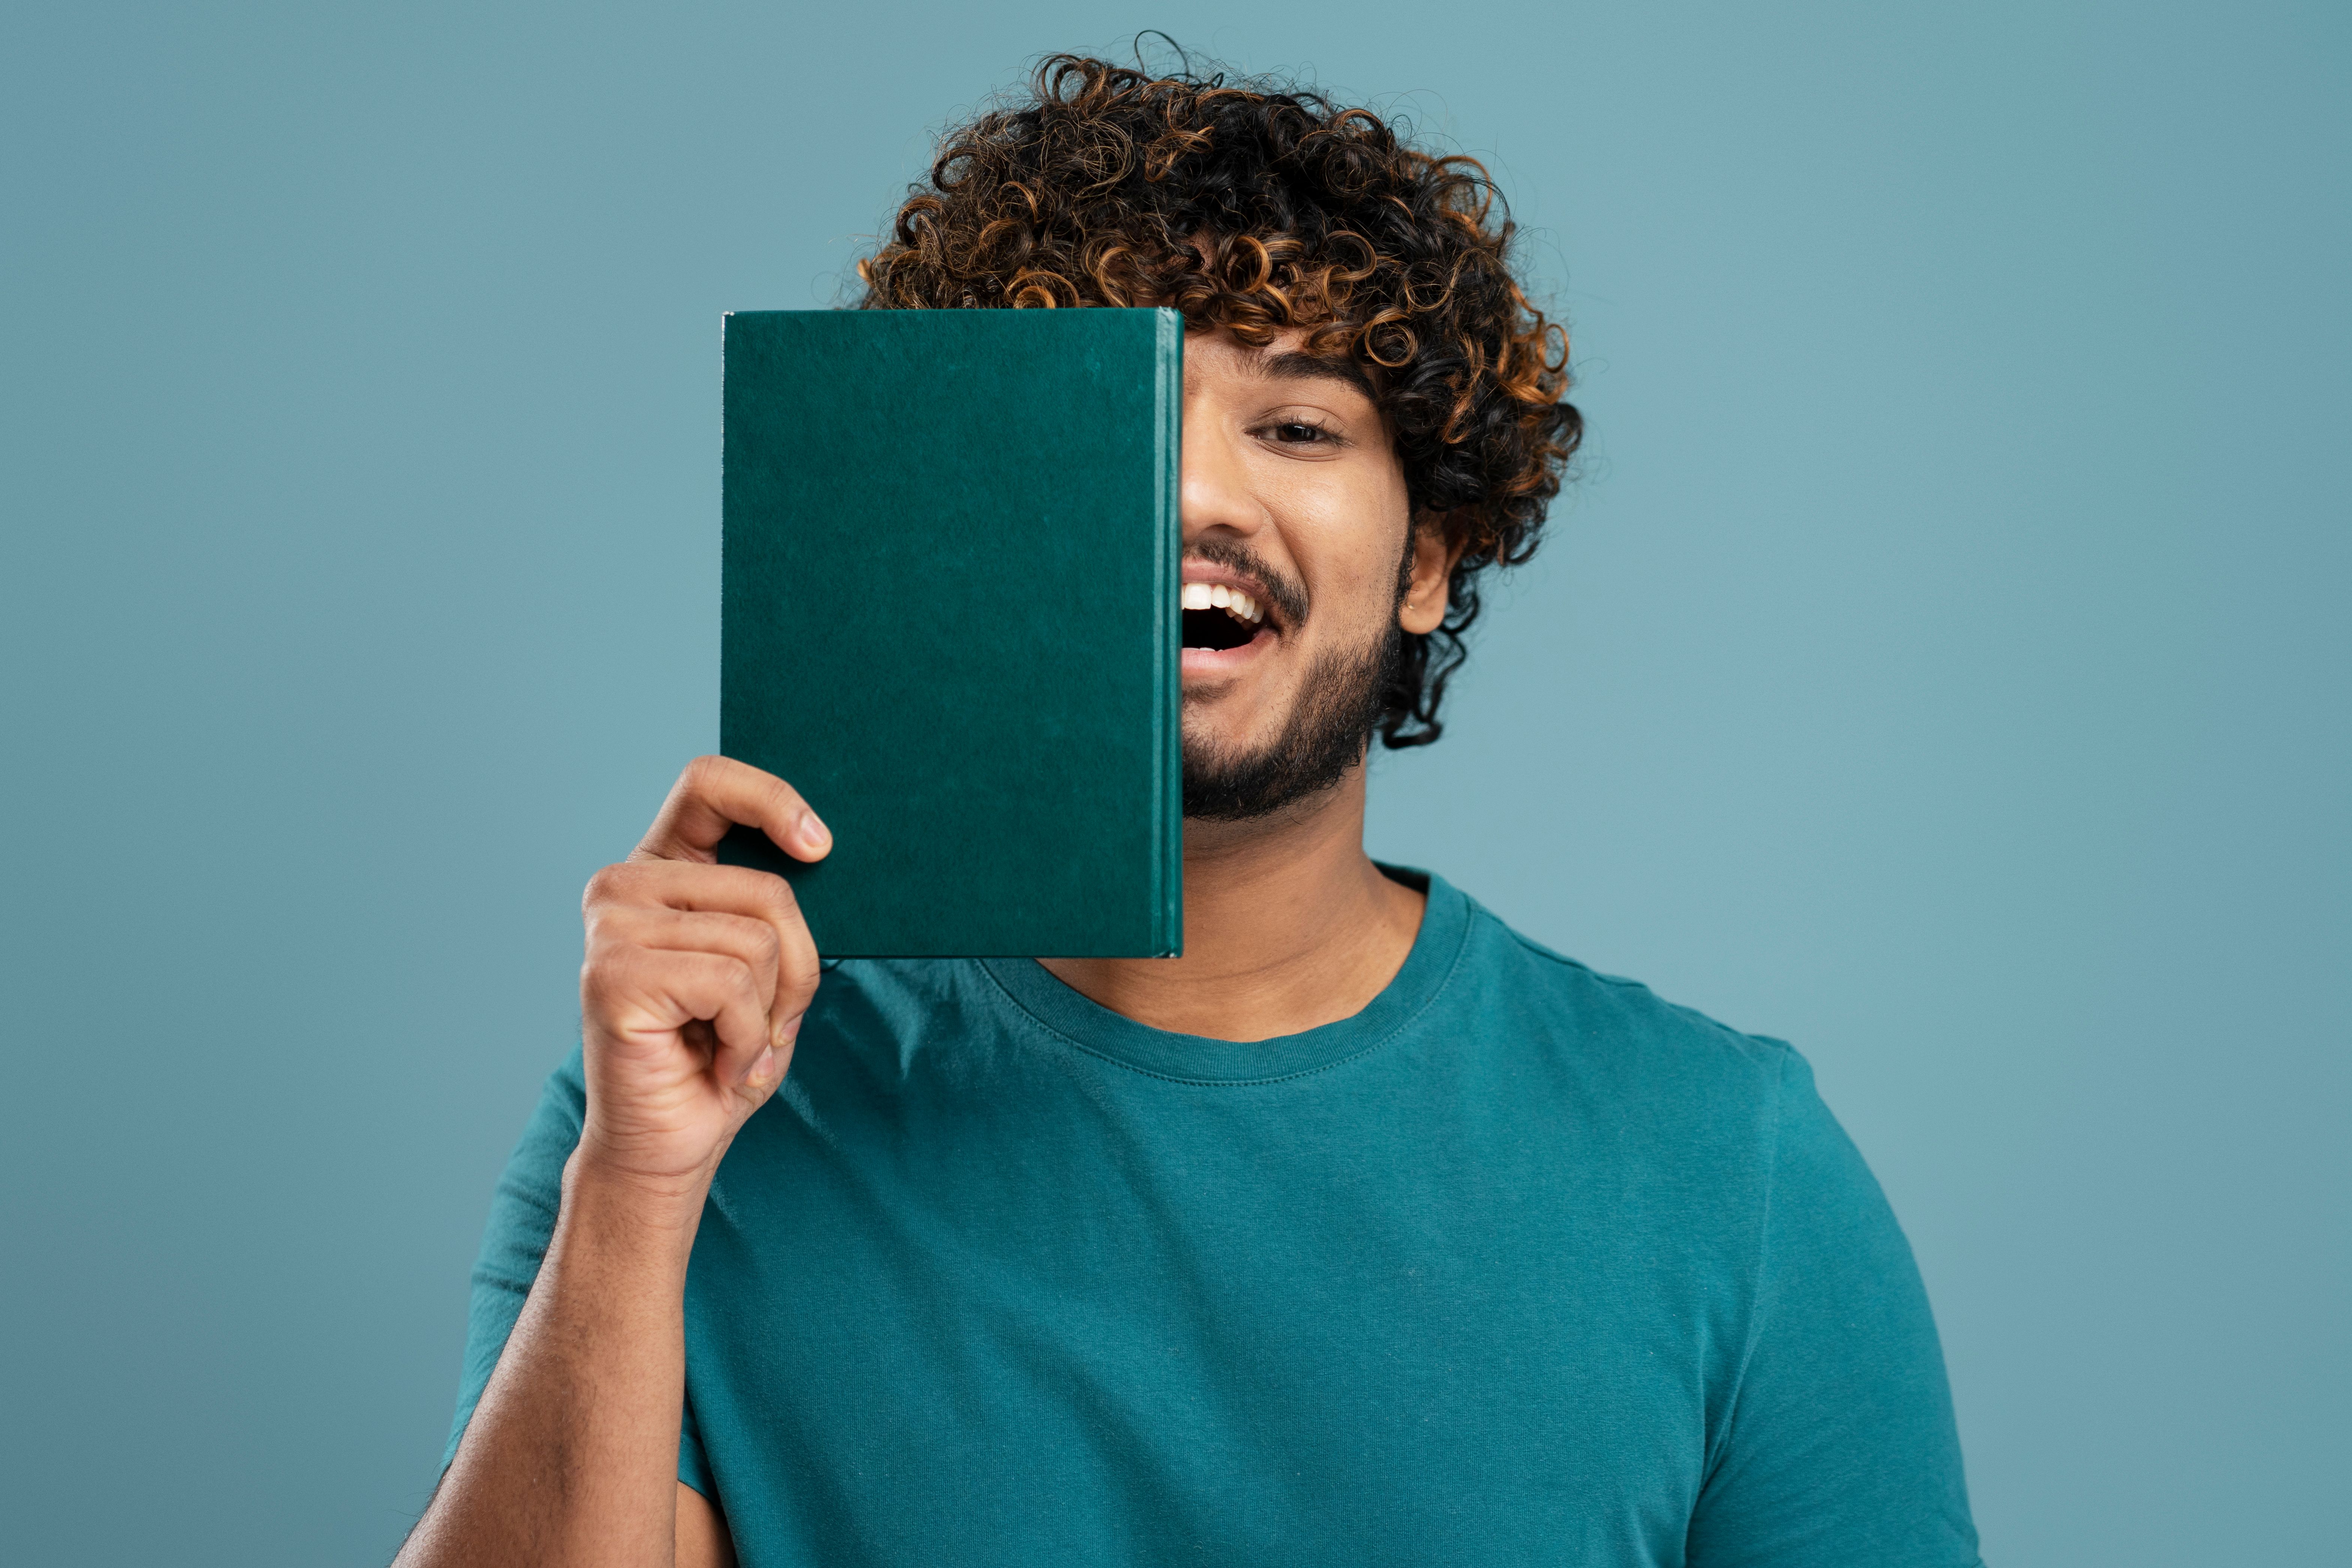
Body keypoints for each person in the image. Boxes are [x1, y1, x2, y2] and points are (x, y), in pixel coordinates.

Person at [396, 54, 1982, 1568]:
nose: (1195, 498)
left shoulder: (1729, 1167)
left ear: (1430, 558)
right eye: (1116, 426)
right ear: (975, 505)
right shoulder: (699, 1113)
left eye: (1294, 427)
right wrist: (639, 1186)